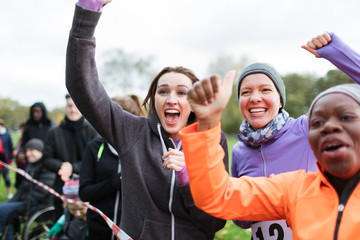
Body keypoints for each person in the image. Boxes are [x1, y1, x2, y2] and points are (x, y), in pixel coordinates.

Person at [65, 1, 229, 239]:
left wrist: (188, 178)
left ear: (193, 102)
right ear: (153, 100)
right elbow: (82, 86)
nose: (172, 99)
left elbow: (215, 222)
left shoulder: (212, 139)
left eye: (182, 92)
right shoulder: (132, 131)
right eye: (163, 91)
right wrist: (88, 11)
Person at [179, 32, 360, 239]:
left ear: (281, 100)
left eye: (345, 117)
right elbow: (220, 196)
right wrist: (208, 123)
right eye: (317, 122)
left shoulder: (300, 127)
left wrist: (338, 53)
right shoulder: (294, 189)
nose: (329, 127)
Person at [231, 50, 317, 238]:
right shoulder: (239, 150)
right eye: (246, 92)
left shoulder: (305, 128)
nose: (254, 98)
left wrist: (336, 52)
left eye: (265, 90)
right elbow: (241, 220)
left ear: (280, 99)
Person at [79, 95, 145, 240]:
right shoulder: (94, 147)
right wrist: (114, 183)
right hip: (99, 230)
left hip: (132, 233)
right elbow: (84, 192)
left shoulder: (143, 149)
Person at [44, 94, 98, 221]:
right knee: (61, 228)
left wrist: (72, 167)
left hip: (87, 190)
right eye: (69, 106)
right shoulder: (54, 132)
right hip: (62, 189)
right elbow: (46, 159)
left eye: (76, 106)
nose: (73, 110)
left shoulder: (92, 131)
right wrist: (62, 166)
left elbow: (96, 159)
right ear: (65, 107)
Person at [0, 138, 56, 240]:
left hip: (40, 204)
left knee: (2, 210)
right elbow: (22, 189)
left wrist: (20, 209)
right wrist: (11, 202)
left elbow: (39, 193)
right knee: (4, 207)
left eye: (32, 150)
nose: (28, 153)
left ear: (40, 151)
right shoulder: (31, 166)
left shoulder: (47, 167)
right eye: (26, 151)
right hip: (27, 201)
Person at [47, 175, 88, 240]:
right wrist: (59, 225)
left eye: (81, 209)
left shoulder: (95, 221)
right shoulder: (66, 215)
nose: (78, 214)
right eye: (72, 210)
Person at [0, 119, 14, 199]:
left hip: (4, 160)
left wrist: (10, 159)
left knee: (6, 178)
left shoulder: (7, 135)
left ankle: (9, 193)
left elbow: (10, 147)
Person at [13, 122, 26, 189]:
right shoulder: (20, 139)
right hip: (19, 167)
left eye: (22, 129)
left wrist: (17, 153)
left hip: (24, 167)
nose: (21, 131)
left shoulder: (26, 140)